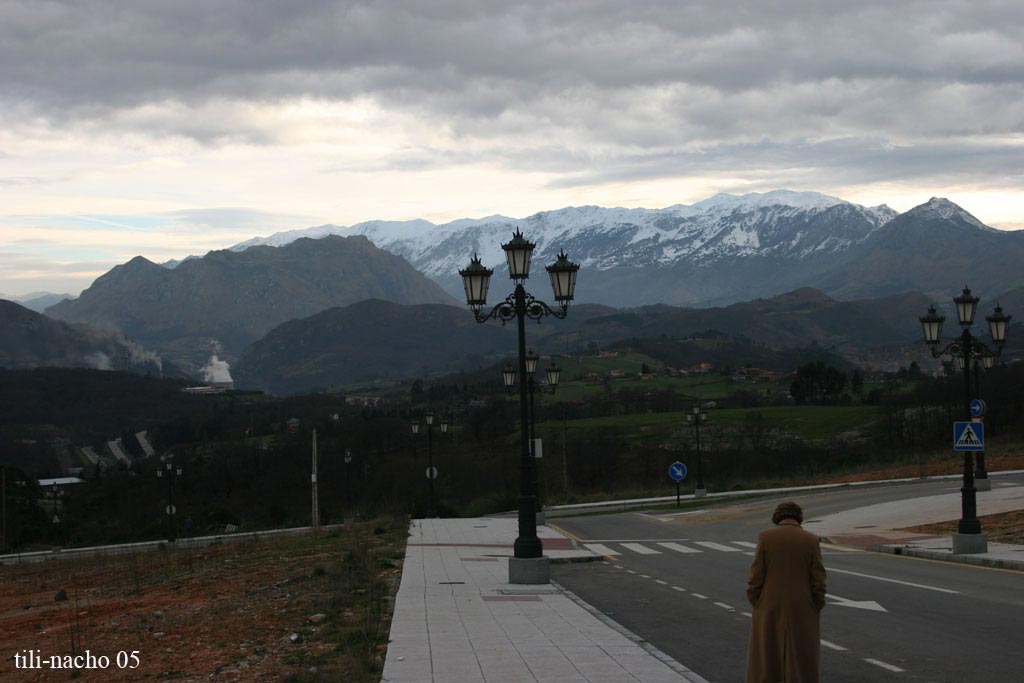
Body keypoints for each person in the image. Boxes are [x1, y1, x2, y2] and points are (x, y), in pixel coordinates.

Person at [745, 501, 827, 683]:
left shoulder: (765, 537)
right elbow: (819, 580)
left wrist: (758, 602)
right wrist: (815, 605)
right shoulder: (811, 540)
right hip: (802, 606)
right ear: (798, 517)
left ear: (777, 517)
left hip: (769, 605)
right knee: (801, 656)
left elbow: (755, 577)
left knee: (767, 656)